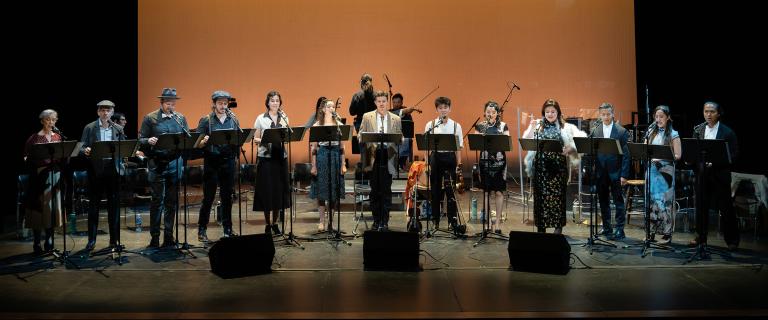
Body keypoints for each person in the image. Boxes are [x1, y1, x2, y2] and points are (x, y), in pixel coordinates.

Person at [523, 98, 586, 234]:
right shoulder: (538, 125)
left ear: (558, 112)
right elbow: (527, 140)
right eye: (547, 112)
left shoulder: (566, 127)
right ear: (543, 113)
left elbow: (581, 140)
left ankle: (557, 230)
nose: (550, 114)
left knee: (558, 199)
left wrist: (571, 148)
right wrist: (532, 127)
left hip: (558, 170)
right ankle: (541, 230)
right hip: (541, 169)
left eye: (553, 111)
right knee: (541, 200)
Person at [138, 88, 190, 248]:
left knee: (171, 202)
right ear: (161, 103)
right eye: (168, 103)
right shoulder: (150, 118)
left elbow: (186, 138)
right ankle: (154, 237)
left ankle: (169, 236)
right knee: (157, 201)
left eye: (173, 103)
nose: (171, 106)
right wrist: (149, 141)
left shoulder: (180, 118)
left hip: (174, 163)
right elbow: (141, 139)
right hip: (157, 164)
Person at [690, 101, 739, 250]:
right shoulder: (698, 130)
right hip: (703, 175)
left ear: (718, 113)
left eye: (711, 112)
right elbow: (693, 150)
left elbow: (733, 155)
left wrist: (715, 163)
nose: (708, 115)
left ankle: (732, 240)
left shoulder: (727, 132)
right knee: (701, 207)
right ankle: (701, 237)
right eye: (706, 111)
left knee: (726, 208)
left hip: (720, 175)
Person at [79, 100, 125, 251]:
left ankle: (114, 240)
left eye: (108, 110)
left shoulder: (118, 128)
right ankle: (91, 240)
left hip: (113, 171)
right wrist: (85, 150)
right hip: (95, 171)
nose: (105, 113)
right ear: (98, 112)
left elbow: (123, 147)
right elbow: (82, 146)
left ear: (112, 112)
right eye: (103, 110)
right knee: (94, 207)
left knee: (114, 207)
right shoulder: (90, 127)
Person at [195, 90, 240, 242]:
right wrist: (204, 141)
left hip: (228, 161)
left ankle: (228, 229)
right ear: (214, 104)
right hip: (212, 162)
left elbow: (237, 140)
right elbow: (198, 143)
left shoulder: (233, 119)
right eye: (220, 103)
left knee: (227, 197)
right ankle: (202, 229)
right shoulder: (206, 120)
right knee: (208, 197)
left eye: (225, 103)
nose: (223, 106)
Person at [359, 90, 402, 231]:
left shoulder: (395, 118)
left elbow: (400, 137)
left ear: (387, 102)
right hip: (373, 156)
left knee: (386, 190)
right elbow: (359, 135)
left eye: (384, 101)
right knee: (375, 190)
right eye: (379, 101)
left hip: (388, 156)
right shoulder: (367, 117)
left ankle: (385, 221)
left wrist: (399, 139)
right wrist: (364, 138)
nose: (382, 104)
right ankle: (376, 220)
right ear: (375, 103)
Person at [23, 109, 64, 254]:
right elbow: (26, 157)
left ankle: (49, 240)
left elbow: (63, 155)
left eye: (53, 120)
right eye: (48, 119)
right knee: (39, 209)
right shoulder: (34, 138)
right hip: (39, 177)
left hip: (55, 175)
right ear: (42, 121)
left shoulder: (58, 137)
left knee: (51, 209)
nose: (51, 122)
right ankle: (36, 242)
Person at [253, 90, 291, 235]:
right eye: (272, 100)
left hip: (280, 158)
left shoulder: (284, 117)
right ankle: (267, 224)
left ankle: (275, 223)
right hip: (266, 159)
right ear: (267, 103)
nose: (275, 103)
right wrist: (265, 139)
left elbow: (288, 136)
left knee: (278, 192)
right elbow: (255, 138)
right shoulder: (260, 118)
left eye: (277, 100)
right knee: (267, 192)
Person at [591, 103, 631, 240]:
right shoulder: (595, 130)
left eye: (608, 114)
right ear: (599, 115)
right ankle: (607, 227)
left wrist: (624, 175)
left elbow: (626, 155)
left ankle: (620, 229)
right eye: (603, 114)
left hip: (616, 172)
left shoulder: (621, 131)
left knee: (618, 201)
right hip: (601, 172)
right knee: (603, 200)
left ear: (613, 114)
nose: (606, 117)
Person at [424, 96, 463, 232]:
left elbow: (458, 148)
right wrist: (427, 164)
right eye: (440, 108)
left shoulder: (456, 126)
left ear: (450, 109)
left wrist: (459, 165)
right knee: (435, 191)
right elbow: (426, 147)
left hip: (450, 158)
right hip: (435, 157)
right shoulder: (430, 125)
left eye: (445, 107)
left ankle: (453, 221)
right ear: (436, 110)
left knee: (450, 191)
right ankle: (435, 220)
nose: (443, 110)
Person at [643, 105, 681, 244]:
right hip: (652, 170)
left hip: (665, 171)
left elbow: (678, 155)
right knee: (651, 201)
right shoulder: (651, 131)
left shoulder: (673, 134)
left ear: (668, 117)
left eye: (661, 117)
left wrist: (662, 156)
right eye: (656, 116)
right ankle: (651, 232)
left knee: (664, 202)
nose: (658, 119)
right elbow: (645, 149)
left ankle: (667, 234)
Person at [309, 99, 346, 231]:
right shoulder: (317, 126)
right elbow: (313, 148)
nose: (331, 108)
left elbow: (342, 148)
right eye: (329, 106)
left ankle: (331, 221)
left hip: (335, 156)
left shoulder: (339, 125)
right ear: (323, 109)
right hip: (322, 156)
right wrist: (314, 166)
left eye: (333, 106)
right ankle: (321, 221)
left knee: (333, 192)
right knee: (322, 191)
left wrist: (343, 164)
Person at [474, 100, 508, 234]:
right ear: (484, 113)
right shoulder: (480, 126)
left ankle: (498, 222)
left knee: (499, 192)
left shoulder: (503, 126)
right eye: (488, 112)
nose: (491, 114)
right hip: (485, 162)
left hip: (499, 162)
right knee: (486, 192)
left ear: (498, 113)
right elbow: (476, 143)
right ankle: (488, 222)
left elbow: (506, 143)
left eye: (493, 112)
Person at [391, 93, 421, 171]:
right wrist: (405, 111)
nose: (396, 104)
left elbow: (409, 127)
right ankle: (395, 163)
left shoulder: (407, 114)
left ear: (401, 103)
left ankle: (401, 163)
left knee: (408, 140)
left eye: (398, 102)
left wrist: (406, 112)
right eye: (394, 102)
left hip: (403, 137)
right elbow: (395, 114)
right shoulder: (390, 112)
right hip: (392, 137)